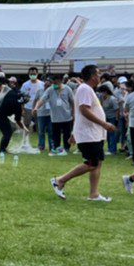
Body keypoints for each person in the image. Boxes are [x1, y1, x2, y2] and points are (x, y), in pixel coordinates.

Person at [51, 64, 117, 203]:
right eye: (98, 74)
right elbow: (84, 110)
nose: (100, 76)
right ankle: (60, 180)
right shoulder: (85, 89)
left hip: (93, 133)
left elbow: (79, 113)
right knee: (92, 163)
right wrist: (104, 124)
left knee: (97, 163)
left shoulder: (87, 89)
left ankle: (94, 194)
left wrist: (74, 133)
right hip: (89, 134)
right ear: (93, 76)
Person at [44, 73, 75, 154]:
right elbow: (42, 99)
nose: (54, 84)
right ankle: (57, 148)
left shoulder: (68, 89)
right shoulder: (50, 89)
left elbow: (73, 102)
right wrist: (36, 107)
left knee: (66, 134)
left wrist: (74, 113)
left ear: (61, 81)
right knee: (55, 134)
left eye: (55, 82)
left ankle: (66, 148)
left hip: (66, 116)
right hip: (55, 117)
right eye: (53, 82)